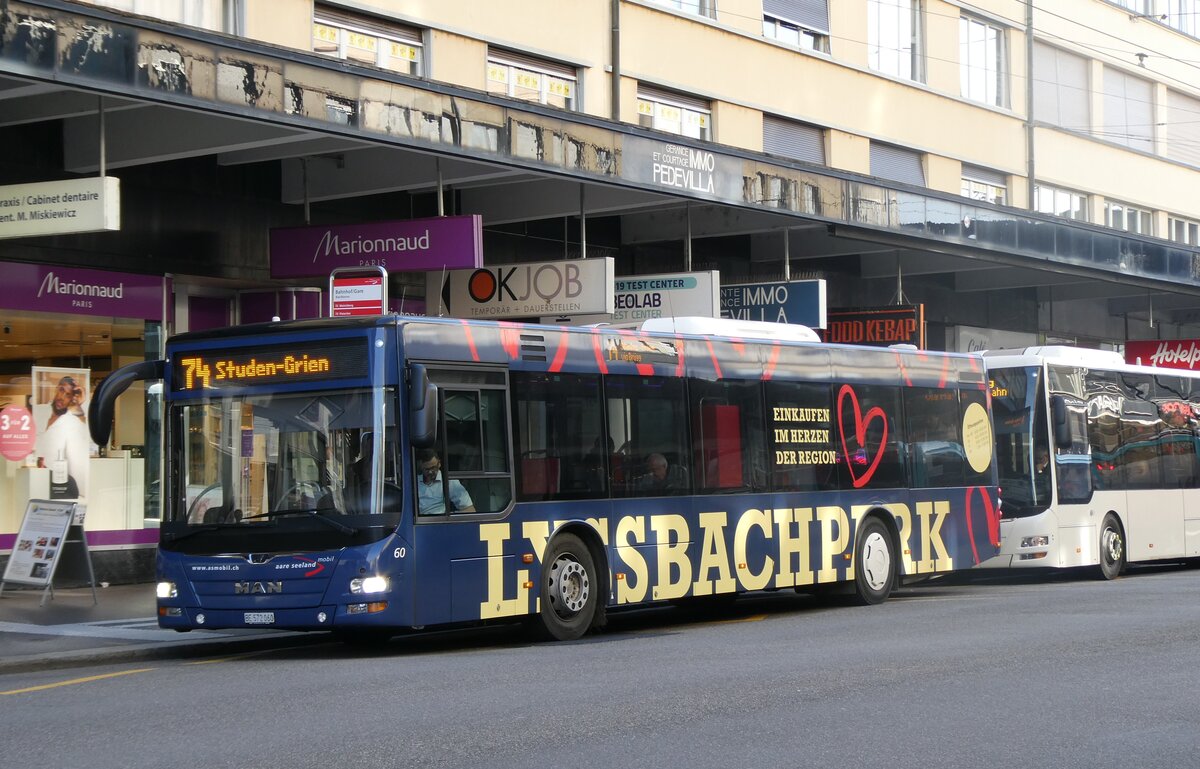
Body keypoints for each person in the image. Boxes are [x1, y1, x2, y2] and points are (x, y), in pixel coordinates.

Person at [35, 375, 90, 500]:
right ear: (56, 389)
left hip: (55, 488)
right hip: (33, 480)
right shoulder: (39, 412)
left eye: (68, 395)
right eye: (61, 390)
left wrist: (78, 407)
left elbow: (83, 445)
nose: (62, 397)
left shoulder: (72, 422)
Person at [416, 448, 474, 515]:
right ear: (421, 467)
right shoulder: (414, 483)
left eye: (433, 468)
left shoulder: (449, 481)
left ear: (439, 464)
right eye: (427, 469)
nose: (430, 472)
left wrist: (448, 517)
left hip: (440, 521)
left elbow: (470, 509)